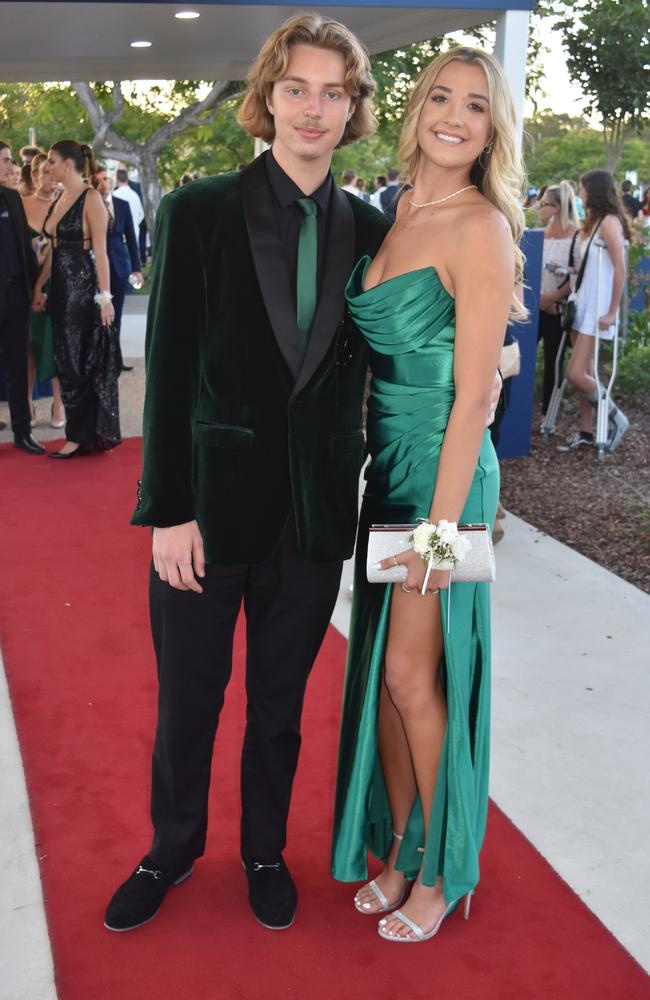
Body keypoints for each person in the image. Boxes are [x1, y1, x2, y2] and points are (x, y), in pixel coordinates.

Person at [331, 45, 525, 944]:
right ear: (415, 110)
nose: (455, 115)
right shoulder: (401, 211)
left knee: (415, 676)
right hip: (390, 472)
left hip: (447, 482)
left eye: (476, 106)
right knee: (388, 676)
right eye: (441, 97)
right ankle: (407, 847)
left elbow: (478, 398)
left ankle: (444, 869)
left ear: (493, 129)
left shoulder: (481, 226)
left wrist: (441, 537)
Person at [32, 140, 121, 457]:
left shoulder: (91, 198)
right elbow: (53, 251)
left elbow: (102, 253)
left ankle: (79, 435)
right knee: (64, 361)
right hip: (59, 290)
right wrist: (39, 288)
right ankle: (80, 432)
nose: (48, 167)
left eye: (52, 162)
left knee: (78, 360)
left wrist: (105, 299)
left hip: (82, 291)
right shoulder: (60, 198)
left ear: (67, 164)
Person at [560, 169, 630, 452]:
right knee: (585, 371)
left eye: (583, 188)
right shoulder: (595, 221)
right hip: (584, 303)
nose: (580, 193)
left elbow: (620, 269)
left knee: (575, 373)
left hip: (597, 310)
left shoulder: (610, 222)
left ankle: (616, 417)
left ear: (594, 190)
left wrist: (612, 311)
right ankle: (587, 431)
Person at [0, 140, 45, 454]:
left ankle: (22, 432)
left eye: (8, 160)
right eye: (3, 161)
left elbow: (23, 247)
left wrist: (35, 287)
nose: (10, 166)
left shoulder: (14, 198)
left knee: (17, 364)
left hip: (16, 294)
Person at [20, 152, 65, 427]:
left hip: (55, 282)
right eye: (45, 173)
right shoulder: (21, 204)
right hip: (24, 281)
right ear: (35, 176)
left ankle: (58, 405)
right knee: (27, 344)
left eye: (53, 172)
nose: (51, 178)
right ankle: (27, 403)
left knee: (56, 341)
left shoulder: (63, 205)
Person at [537, 180, 579, 418]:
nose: (539, 208)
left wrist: (553, 298)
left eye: (543, 204)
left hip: (557, 308)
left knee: (554, 361)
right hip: (535, 305)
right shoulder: (540, 234)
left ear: (556, 207)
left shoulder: (576, 236)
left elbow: (576, 274)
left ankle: (548, 415)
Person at [95, 166, 142, 369]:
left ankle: (115, 358)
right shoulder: (90, 205)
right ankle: (100, 358)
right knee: (99, 316)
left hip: (120, 267)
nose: (104, 184)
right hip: (96, 268)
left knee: (117, 315)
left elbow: (131, 238)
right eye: (100, 180)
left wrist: (136, 267)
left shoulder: (121, 205)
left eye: (106, 179)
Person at [112, 167, 144, 234]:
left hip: (120, 234)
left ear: (117, 179)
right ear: (127, 179)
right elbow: (141, 214)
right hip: (135, 232)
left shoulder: (114, 195)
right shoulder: (135, 196)